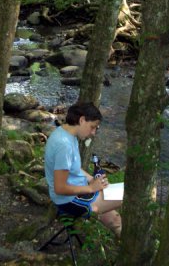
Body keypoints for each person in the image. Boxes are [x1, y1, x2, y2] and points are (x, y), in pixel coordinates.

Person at [45, 102, 122, 238]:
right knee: (135, 193)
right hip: (69, 201)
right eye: (92, 127)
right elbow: (60, 188)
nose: (93, 133)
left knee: (115, 219)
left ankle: (127, 252)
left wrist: (92, 179)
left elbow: (74, 169)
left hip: (76, 193)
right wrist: (91, 188)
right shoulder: (64, 145)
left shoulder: (66, 133)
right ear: (81, 120)